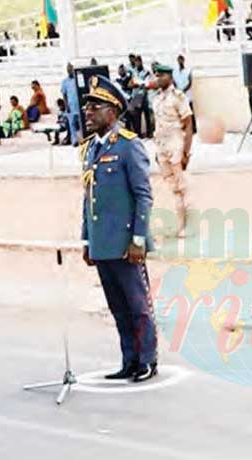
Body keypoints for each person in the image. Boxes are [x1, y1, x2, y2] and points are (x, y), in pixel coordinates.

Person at [79, 74, 158, 382]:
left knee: (138, 306)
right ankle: (129, 360)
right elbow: (88, 199)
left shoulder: (128, 146)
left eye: (95, 107)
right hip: (103, 243)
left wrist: (138, 239)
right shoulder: (89, 150)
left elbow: (143, 195)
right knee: (118, 307)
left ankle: (147, 360)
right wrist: (87, 240)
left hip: (126, 243)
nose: (88, 112)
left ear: (112, 112)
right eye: (88, 107)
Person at [150, 63, 193, 237]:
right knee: (172, 187)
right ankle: (180, 224)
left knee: (183, 186)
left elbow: (188, 124)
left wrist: (186, 152)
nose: (158, 79)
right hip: (162, 146)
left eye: (161, 75)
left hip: (176, 144)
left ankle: (188, 225)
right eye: (156, 75)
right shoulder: (156, 99)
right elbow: (157, 125)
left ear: (169, 77)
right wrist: (157, 149)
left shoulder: (178, 97)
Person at [173, 55, 196, 134]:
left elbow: (190, 82)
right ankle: (183, 127)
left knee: (189, 112)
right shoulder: (175, 71)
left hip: (187, 94)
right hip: (179, 94)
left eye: (181, 60)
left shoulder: (188, 70)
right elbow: (174, 82)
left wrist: (184, 90)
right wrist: (178, 90)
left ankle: (193, 128)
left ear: (183, 60)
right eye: (179, 60)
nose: (180, 62)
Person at [131, 56, 154, 138]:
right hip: (136, 96)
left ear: (141, 62)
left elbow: (148, 84)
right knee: (136, 116)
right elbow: (133, 83)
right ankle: (138, 134)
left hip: (144, 95)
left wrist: (140, 83)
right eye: (136, 62)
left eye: (138, 62)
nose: (137, 63)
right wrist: (141, 83)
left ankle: (149, 133)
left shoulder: (147, 71)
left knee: (147, 115)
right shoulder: (133, 72)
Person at [61, 63, 82, 145]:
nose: (70, 70)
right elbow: (64, 94)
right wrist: (66, 105)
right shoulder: (65, 82)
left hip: (79, 105)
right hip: (71, 106)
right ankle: (74, 140)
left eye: (71, 69)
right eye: (68, 69)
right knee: (72, 124)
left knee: (81, 124)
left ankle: (82, 139)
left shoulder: (78, 79)